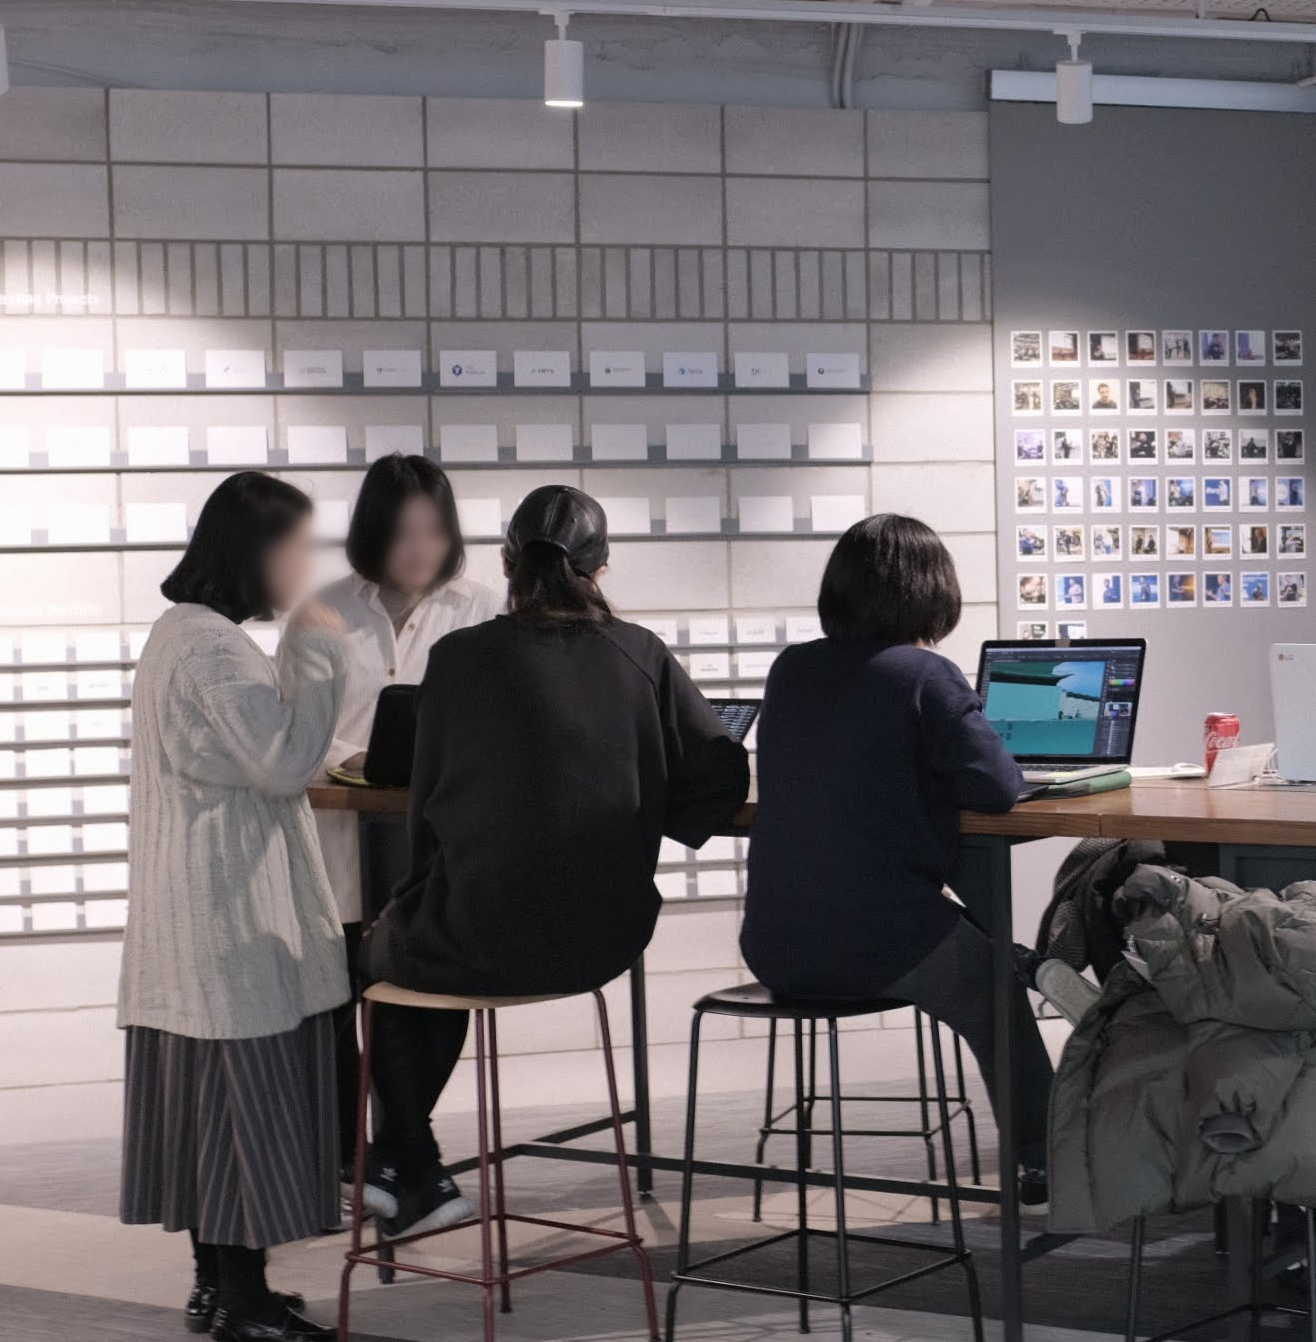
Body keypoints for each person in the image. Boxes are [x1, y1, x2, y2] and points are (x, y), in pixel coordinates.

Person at [741, 514, 1055, 1199]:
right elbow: (999, 788)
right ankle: (1047, 1162)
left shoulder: (791, 669)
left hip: (772, 945)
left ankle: (1026, 968)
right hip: (873, 943)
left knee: (968, 935)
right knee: (997, 985)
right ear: (931, 590)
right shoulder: (925, 676)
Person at [117, 470, 350, 1342]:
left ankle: (219, 1287)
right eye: (295, 551)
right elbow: (284, 760)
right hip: (226, 919)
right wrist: (319, 650)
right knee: (245, 1114)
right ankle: (246, 1304)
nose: (303, 570)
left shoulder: (182, 634)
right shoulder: (210, 647)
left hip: (196, 917)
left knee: (209, 1120)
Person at [369, 485, 750, 1004]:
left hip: (467, 939)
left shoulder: (456, 658)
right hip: (604, 942)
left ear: (507, 564)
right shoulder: (640, 653)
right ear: (600, 572)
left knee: (379, 944)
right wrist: (649, 798)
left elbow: (426, 807)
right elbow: (720, 773)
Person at [285, 454, 499, 1238]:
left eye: (435, 531)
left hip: (438, 852)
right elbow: (297, 734)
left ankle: (391, 1160)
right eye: (404, 531)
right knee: (338, 1004)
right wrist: (364, 760)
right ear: (373, 531)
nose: (420, 548)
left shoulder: (483, 610)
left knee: (432, 994)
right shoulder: (323, 615)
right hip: (339, 849)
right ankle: (384, 1163)